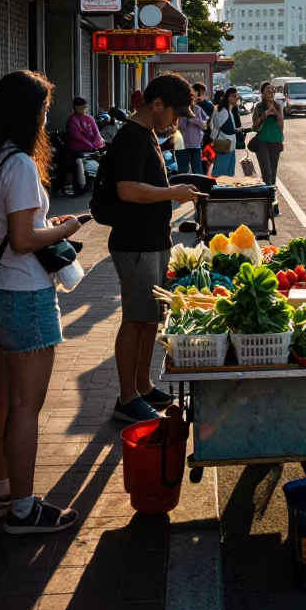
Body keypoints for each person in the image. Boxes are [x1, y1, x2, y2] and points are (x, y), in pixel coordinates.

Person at [0, 70, 82, 534]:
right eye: (44, 110)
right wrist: (65, 229)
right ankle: (23, 509)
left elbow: (7, 228)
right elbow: (22, 239)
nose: (46, 119)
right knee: (23, 407)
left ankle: (1, 493)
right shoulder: (20, 166)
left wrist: (42, 226)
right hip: (24, 294)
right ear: (29, 113)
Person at [106, 75, 202, 423]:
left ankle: (143, 386)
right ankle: (127, 398)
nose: (175, 122)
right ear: (156, 104)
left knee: (150, 318)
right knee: (135, 320)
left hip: (153, 240)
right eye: (173, 114)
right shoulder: (131, 137)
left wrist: (173, 189)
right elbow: (127, 189)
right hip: (136, 244)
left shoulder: (147, 134)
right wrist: (172, 193)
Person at [65, 97, 105, 194]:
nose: (82, 110)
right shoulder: (72, 120)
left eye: (83, 107)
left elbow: (96, 132)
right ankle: (79, 186)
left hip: (91, 149)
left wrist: (96, 143)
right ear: (75, 108)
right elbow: (76, 135)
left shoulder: (89, 118)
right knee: (76, 163)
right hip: (77, 150)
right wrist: (88, 144)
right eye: (80, 108)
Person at [251, 81, 284, 186]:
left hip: (276, 142)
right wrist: (264, 115)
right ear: (262, 93)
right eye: (268, 90)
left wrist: (275, 111)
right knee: (267, 173)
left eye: (272, 90)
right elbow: (255, 126)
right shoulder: (259, 107)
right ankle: (268, 192)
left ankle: (271, 192)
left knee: (273, 172)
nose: (271, 92)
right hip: (262, 143)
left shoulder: (278, 106)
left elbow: (281, 126)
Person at [175, 88, 209, 174]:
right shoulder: (179, 110)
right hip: (182, 145)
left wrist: (194, 120)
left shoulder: (197, 109)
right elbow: (176, 127)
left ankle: (197, 183)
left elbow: (204, 126)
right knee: (183, 171)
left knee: (197, 171)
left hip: (195, 145)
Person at [210, 86, 241, 178]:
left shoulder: (227, 110)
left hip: (228, 145)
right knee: (221, 173)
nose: (236, 98)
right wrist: (237, 130)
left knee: (227, 173)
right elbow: (226, 129)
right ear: (228, 97)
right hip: (224, 144)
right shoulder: (223, 111)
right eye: (234, 96)